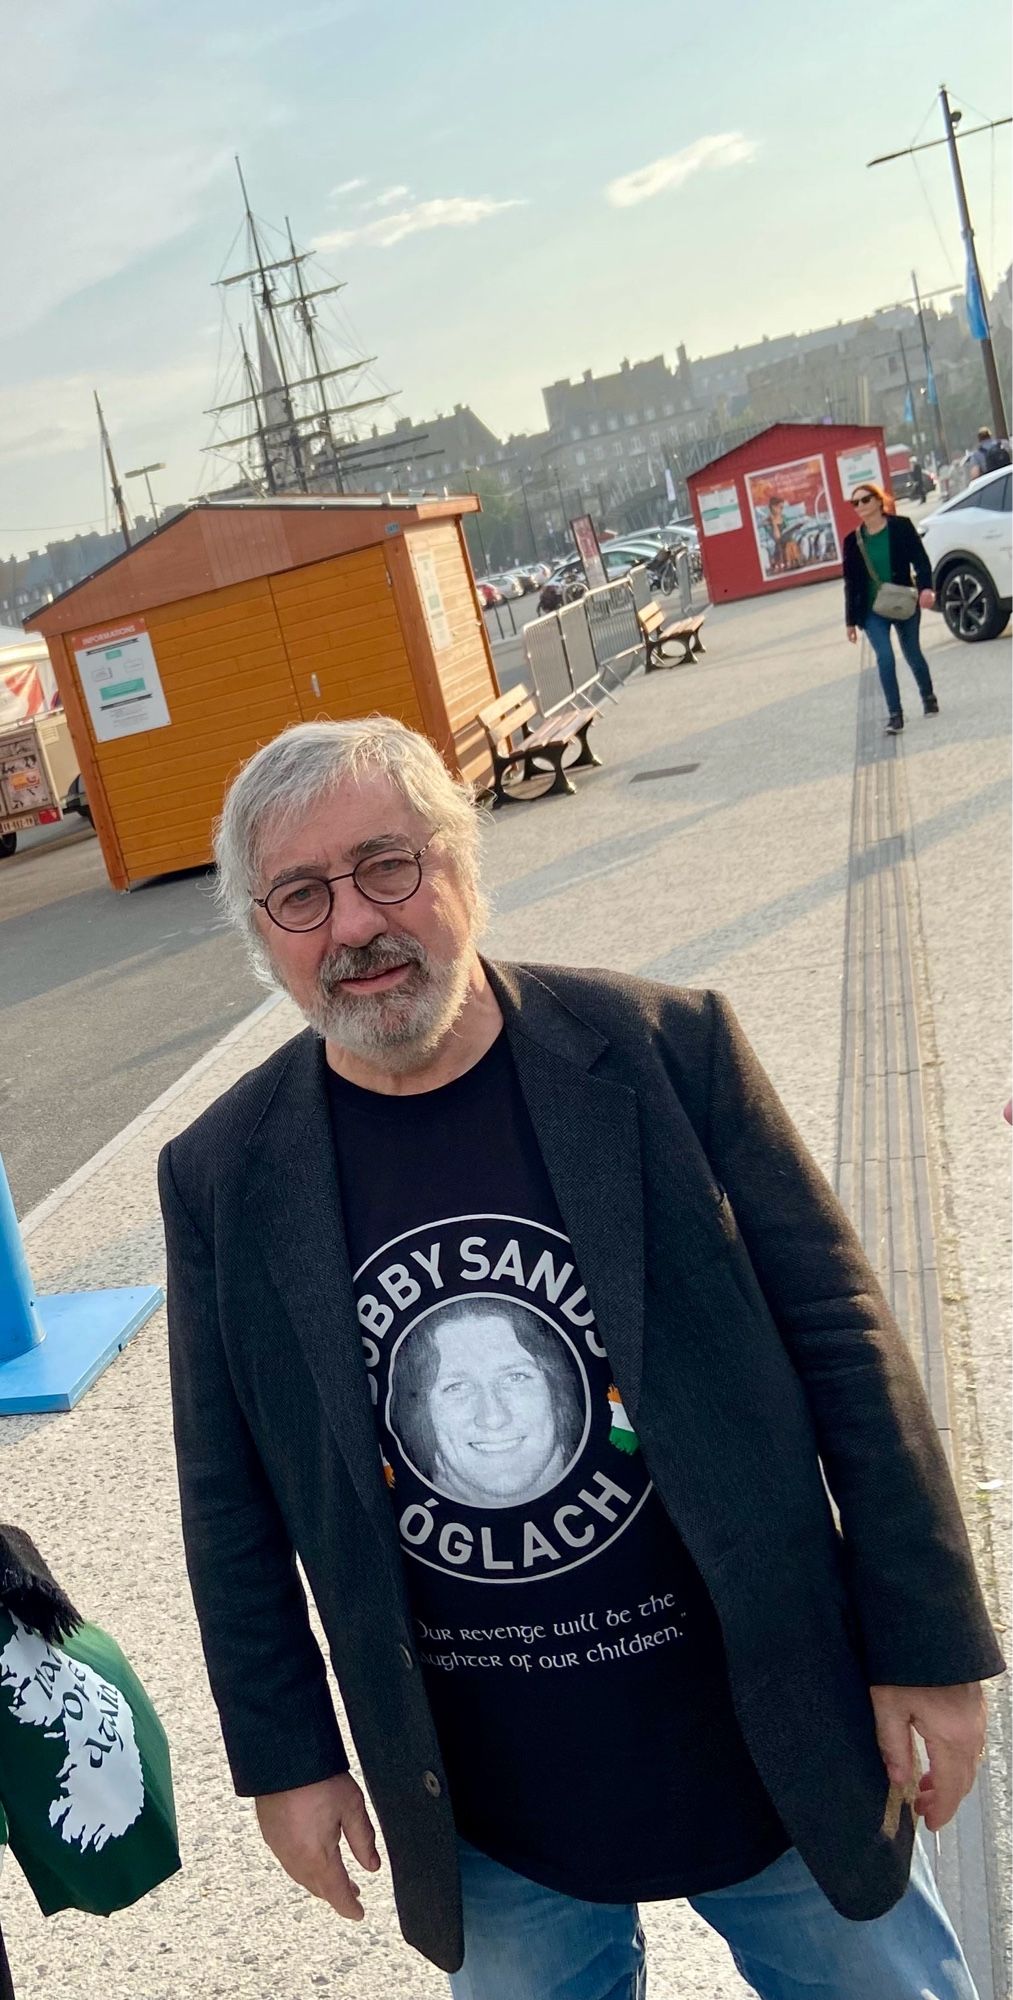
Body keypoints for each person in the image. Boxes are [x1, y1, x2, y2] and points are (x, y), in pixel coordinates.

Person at [160, 718, 1004, 2000]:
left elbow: (844, 1342)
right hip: (494, 1808)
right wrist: (288, 1754)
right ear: (263, 932)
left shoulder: (666, 1052)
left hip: (773, 1738)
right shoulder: (223, 1173)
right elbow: (228, 1496)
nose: (353, 925)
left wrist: (926, 1642)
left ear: (458, 865)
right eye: (301, 895)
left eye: (388, 866)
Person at [842, 482, 939, 734]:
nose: (860, 506)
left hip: (904, 601)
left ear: (878, 500)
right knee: (884, 658)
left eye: (865, 500)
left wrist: (926, 588)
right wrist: (850, 621)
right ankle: (895, 715)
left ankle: (928, 697)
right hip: (872, 610)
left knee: (912, 653)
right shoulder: (853, 541)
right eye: (855, 503)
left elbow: (920, 560)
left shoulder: (901, 527)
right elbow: (850, 582)